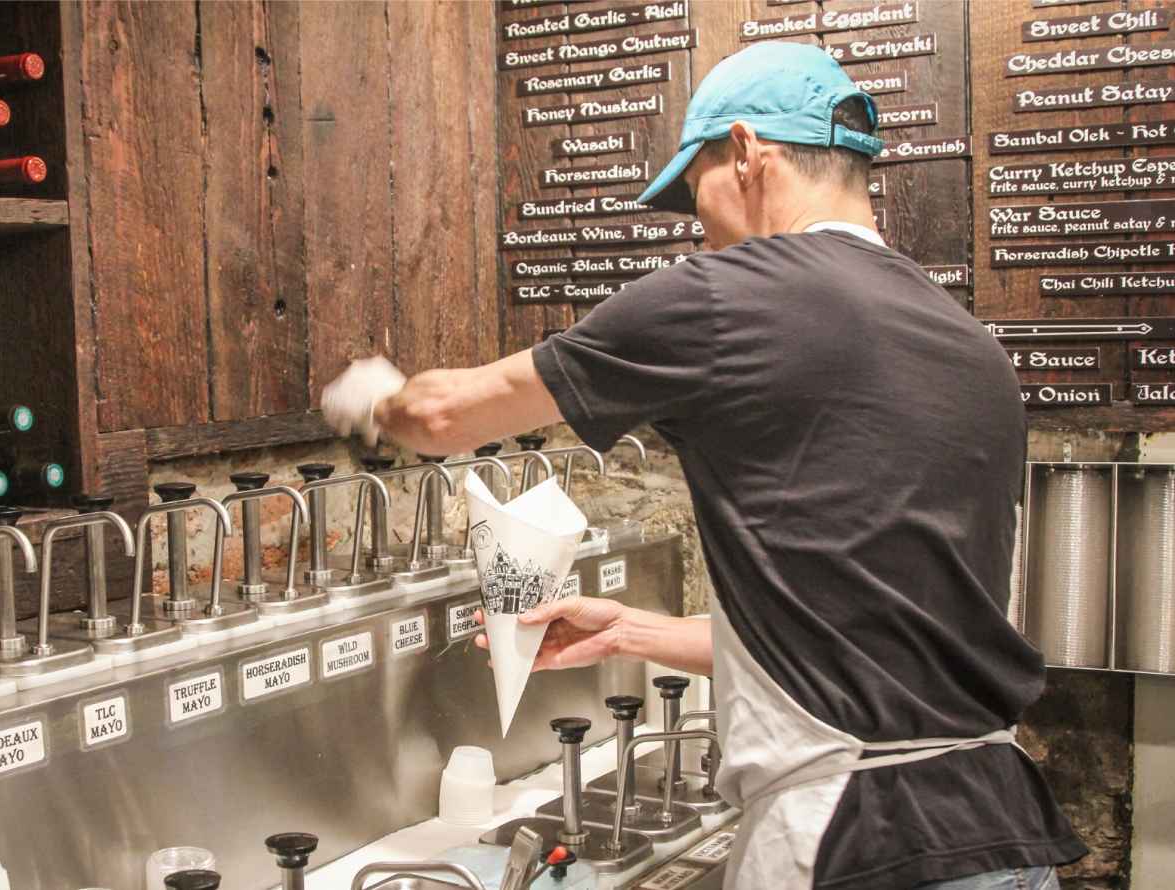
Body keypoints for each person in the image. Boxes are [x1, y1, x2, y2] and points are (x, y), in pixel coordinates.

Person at [320, 41, 1085, 890]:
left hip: (856, 840)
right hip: (1002, 833)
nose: (703, 230)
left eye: (697, 196)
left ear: (749, 152)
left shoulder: (724, 295)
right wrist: (634, 633)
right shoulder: (971, 343)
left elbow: (444, 416)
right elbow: (881, 634)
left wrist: (374, 399)